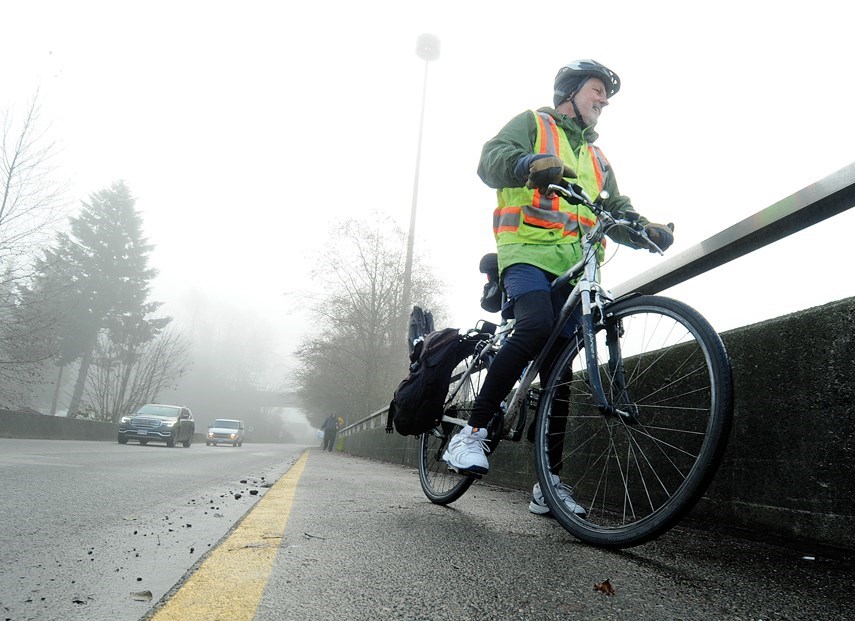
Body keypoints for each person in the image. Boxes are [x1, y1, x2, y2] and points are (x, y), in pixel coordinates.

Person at [443, 59, 674, 516]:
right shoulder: (533, 123)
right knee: (533, 329)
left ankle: (548, 483)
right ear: (570, 92)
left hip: (575, 270)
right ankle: (471, 434)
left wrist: (644, 229)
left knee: (560, 374)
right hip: (526, 252)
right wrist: (528, 163)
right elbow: (490, 160)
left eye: (606, 94)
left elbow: (616, 209)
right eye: (597, 90)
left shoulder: (598, 158)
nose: (604, 100)